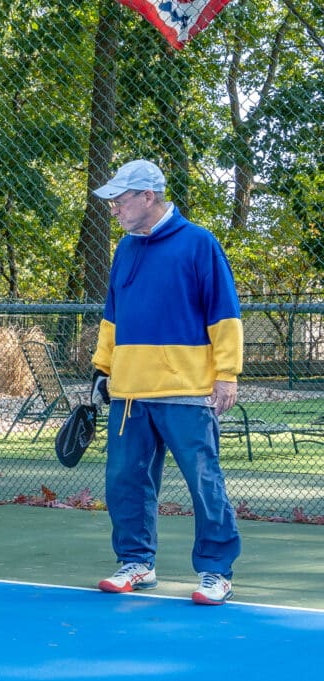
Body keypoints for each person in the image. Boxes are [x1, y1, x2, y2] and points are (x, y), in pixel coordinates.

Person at [89, 159, 243, 606]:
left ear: (147, 197)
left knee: (204, 482)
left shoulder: (199, 244)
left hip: (188, 391)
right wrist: (103, 370)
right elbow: (112, 315)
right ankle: (137, 562)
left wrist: (227, 374)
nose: (114, 208)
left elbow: (225, 314)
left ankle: (217, 571)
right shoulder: (124, 249)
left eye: (120, 199)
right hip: (131, 393)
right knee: (125, 482)